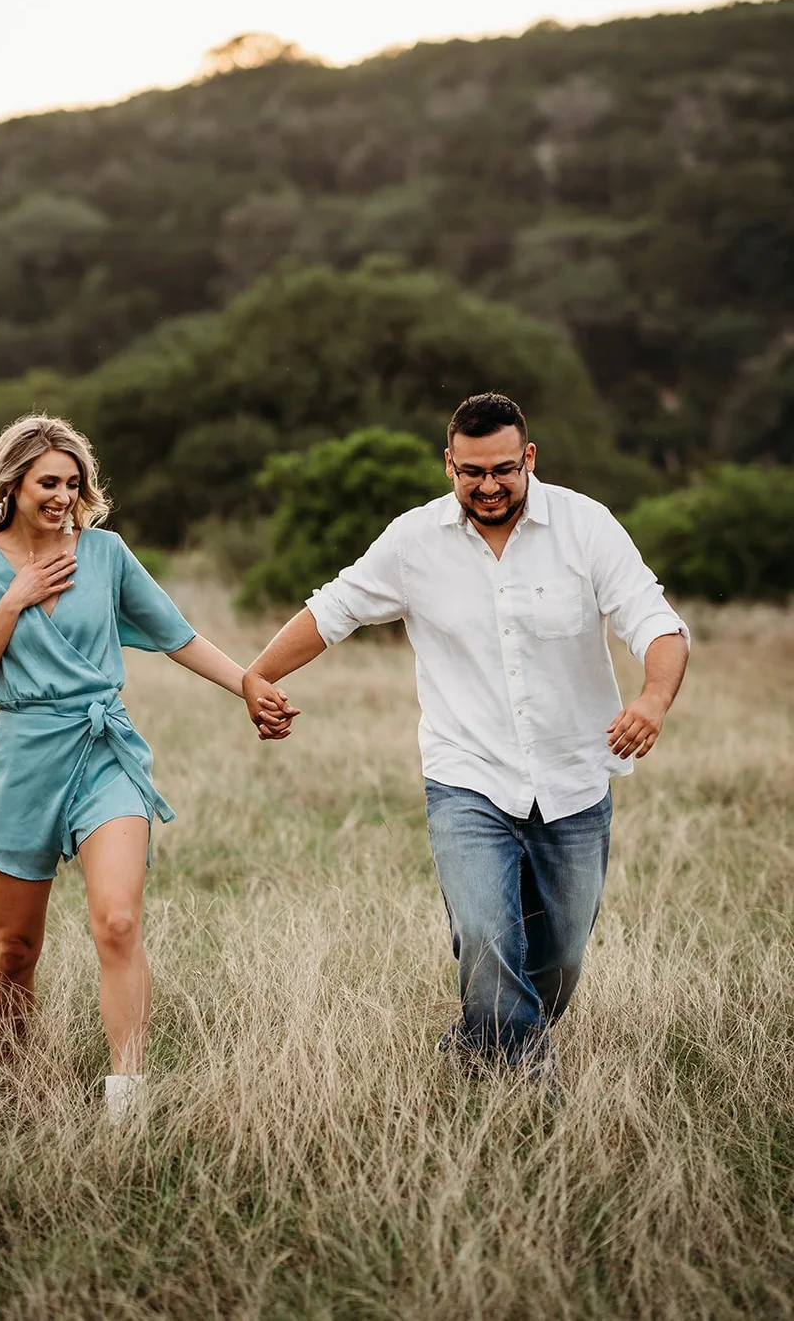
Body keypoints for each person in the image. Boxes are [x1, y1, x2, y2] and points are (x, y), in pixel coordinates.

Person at [241, 392, 689, 1080]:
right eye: (471, 471)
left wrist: (654, 698)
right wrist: (257, 677)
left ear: (528, 458)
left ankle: (479, 1043)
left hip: (572, 776)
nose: (488, 486)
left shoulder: (585, 526)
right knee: (485, 935)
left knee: (562, 955)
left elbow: (654, 620)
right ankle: (517, 1088)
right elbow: (334, 609)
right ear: (448, 463)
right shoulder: (413, 542)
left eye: (504, 469)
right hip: (466, 774)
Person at [0, 414, 296, 1123]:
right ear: (12, 484)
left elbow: (175, 634)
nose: (63, 495)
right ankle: (12, 1078)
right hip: (25, 758)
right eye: (48, 483)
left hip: (105, 750)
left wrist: (249, 682)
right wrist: (14, 601)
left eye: (73, 482)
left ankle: (126, 1103)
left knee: (119, 921)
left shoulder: (105, 554)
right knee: (14, 949)